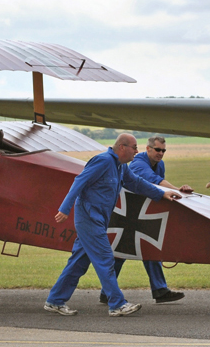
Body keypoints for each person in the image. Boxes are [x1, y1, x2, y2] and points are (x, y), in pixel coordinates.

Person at [44, 133, 182, 317]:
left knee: (79, 262)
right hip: (89, 218)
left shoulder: (120, 167)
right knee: (105, 259)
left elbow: (136, 183)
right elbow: (80, 181)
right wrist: (64, 209)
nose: (137, 151)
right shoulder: (103, 161)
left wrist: (161, 193)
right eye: (134, 147)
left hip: (99, 219)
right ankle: (117, 304)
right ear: (122, 148)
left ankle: (55, 300)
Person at [99, 136, 191, 305]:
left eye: (163, 150)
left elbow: (158, 188)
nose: (161, 154)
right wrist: (177, 190)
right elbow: (153, 180)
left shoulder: (159, 164)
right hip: (126, 212)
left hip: (140, 213)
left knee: (150, 249)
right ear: (148, 149)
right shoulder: (138, 163)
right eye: (157, 150)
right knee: (121, 252)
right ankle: (108, 292)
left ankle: (159, 290)